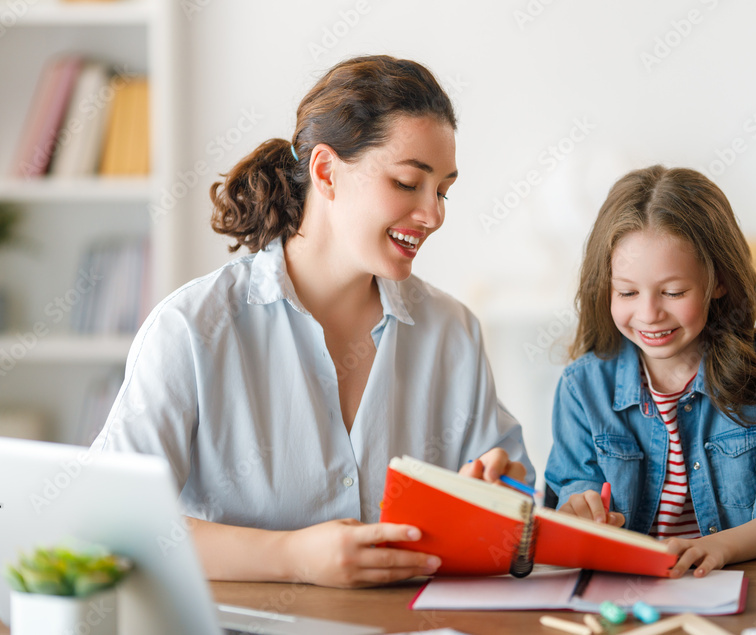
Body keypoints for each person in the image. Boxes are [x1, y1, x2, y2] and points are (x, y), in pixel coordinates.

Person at [91, 55, 533, 588]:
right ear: (326, 171)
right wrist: (292, 557)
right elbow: (110, 525)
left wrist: (499, 505)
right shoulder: (192, 329)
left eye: (442, 191)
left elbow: (520, 513)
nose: (434, 214)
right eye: (407, 182)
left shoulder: (452, 331)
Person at [544, 165, 756, 578]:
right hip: (626, 595)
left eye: (673, 292)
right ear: (606, 287)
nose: (649, 314)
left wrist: (718, 548)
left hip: (739, 586)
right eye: (627, 292)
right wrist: (578, 513)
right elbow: (571, 499)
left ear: (719, 281)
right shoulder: (582, 388)